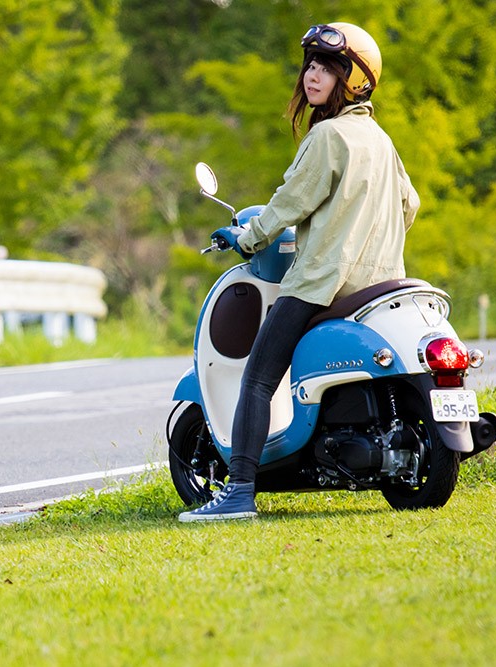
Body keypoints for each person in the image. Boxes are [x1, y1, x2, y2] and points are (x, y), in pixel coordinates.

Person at [179, 22, 420, 522]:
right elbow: (409, 204)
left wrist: (245, 239)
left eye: (328, 68)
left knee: (259, 377)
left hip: (322, 283)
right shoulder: (380, 140)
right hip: (382, 283)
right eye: (310, 65)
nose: (313, 75)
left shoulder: (328, 136)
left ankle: (240, 489)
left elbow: (288, 203)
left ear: (353, 81)